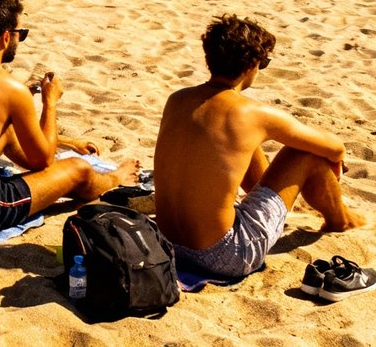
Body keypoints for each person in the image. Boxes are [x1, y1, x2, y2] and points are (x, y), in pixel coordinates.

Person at [154, 14, 364, 283]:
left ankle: (268, 207)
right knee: (304, 152)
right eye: (264, 63)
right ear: (253, 64)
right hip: (226, 255)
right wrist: (333, 160)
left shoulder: (177, 100)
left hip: (168, 246)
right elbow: (335, 147)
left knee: (241, 143)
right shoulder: (250, 113)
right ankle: (341, 220)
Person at [0, 0, 139, 231]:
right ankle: (115, 178)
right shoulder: (10, 88)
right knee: (78, 169)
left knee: (8, 130)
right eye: (21, 33)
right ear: (6, 37)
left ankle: (61, 170)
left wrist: (69, 141)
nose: (20, 39)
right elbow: (44, 160)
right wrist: (50, 103)